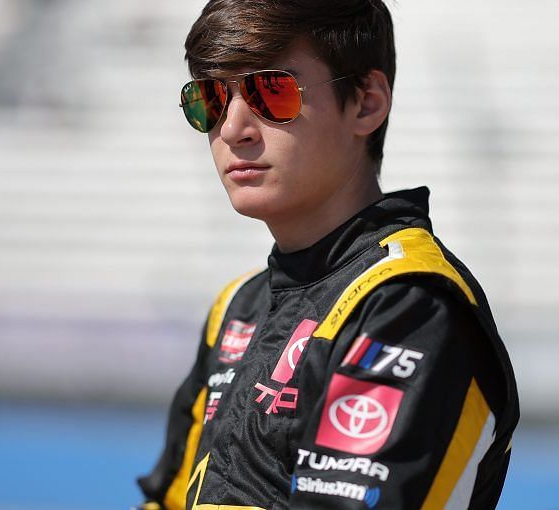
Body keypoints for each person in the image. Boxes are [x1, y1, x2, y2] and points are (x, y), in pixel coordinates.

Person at [136, 1, 519, 508]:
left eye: (269, 91)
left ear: (366, 103)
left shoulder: (407, 306)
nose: (232, 129)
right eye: (209, 99)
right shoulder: (237, 307)